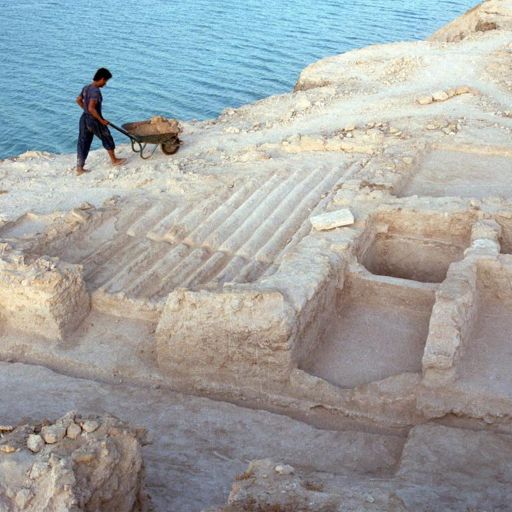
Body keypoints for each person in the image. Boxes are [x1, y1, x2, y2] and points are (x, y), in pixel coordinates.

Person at [75, 67, 126, 175]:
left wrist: (85, 111)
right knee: (107, 137)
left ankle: (80, 168)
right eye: (106, 81)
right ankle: (114, 160)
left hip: (84, 119)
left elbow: (78, 100)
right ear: (102, 79)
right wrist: (101, 120)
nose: (105, 84)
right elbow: (91, 108)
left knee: (83, 142)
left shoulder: (86, 87)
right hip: (94, 120)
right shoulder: (95, 91)